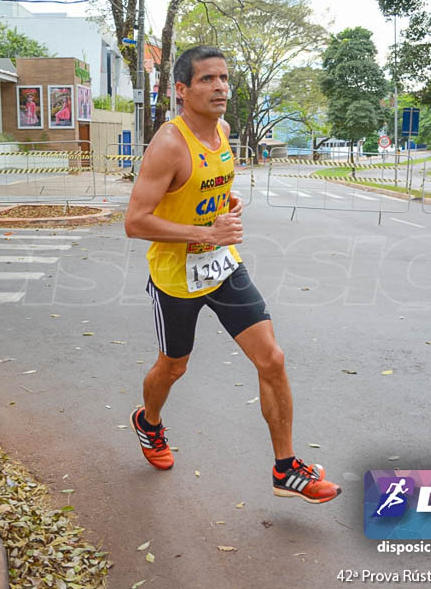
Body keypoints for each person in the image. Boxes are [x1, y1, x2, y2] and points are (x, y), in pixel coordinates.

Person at [123, 46, 341, 504]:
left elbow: (209, 187)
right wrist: (206, 228)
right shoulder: (168, 144)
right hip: (176, 276)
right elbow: (135, 221)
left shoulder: (222, 131)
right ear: (182, 90)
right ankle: (149, 421)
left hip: (222, 266)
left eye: (224, 78)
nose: (220, 86)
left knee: (272, 359)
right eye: (207, 79)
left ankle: (286, 469)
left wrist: (225, 204)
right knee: (174, 366)